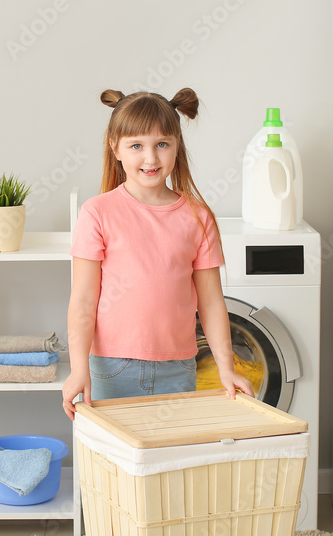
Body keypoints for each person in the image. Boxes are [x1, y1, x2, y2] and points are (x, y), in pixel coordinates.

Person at [62, 87, 255, 420]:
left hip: (178, 369)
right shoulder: (96, 213)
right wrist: (79, 369)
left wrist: (227, 369)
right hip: (110, 368)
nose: (150, 158)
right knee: (114, 466)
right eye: (136, 146)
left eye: (162, 144)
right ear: (115, 147)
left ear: (177, 145)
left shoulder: (198, 217)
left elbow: (210, 301)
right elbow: (82, 300)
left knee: (170, 466)